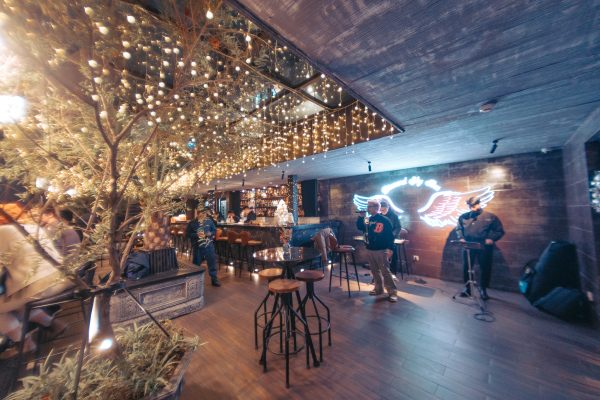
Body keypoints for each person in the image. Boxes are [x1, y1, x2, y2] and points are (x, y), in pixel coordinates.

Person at [0, 205, 77, 357]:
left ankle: (24, 343)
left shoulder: (2, 232)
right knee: (15, 302)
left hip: (40, 287)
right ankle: (50, 323)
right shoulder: (32, 227)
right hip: (64, 279)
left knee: (5, 306)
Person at [455, 197, 505, 300]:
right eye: (470, 206)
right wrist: (461, 238)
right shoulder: (463, 217)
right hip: (468, 246)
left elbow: (499, 231)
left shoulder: (490, 217)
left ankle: (483, 290)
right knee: (467, 267)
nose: (472, 208)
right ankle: (467, 289)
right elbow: (459, 229)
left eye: (474, 205)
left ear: (479, 204)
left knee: (485, 268)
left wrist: (491, 238)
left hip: (483, 247)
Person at [356, 199, 398, 302]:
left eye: (369, 206)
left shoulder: (384, 220)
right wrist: (361, 217)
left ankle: (392, 292)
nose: (367, 208)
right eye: (367, 206)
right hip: (370, 248)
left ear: (376, 208)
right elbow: (361, 227)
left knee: (385, 271)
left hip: (381, 249)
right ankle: (378, 289)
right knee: (374, 271)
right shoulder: (368, 219)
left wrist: (390, 248)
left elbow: (390, 236)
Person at [186, 208, 221, 287]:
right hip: (198, 246)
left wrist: (211, 233)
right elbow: (187, 234)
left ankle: (214, 279)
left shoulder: (209, 221)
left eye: (204, 213)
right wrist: (196, 235)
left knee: (212, 262)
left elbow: (214, 230)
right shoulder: (192, 223)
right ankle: (195, 281)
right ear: (197, 213)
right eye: (201, 213)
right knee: (196, 264)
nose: (203, 215)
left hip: (209, 245)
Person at [379, 200, 401, 276]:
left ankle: (392, 273)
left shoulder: (394, 216)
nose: (382, 211)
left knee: (393, 254)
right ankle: (382, 271)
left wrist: (392, 235)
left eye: (384, 210)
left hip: (392, 238)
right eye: (381, 210)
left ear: (388, 208)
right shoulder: (379, 216)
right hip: (382, 239)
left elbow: (398, 227)